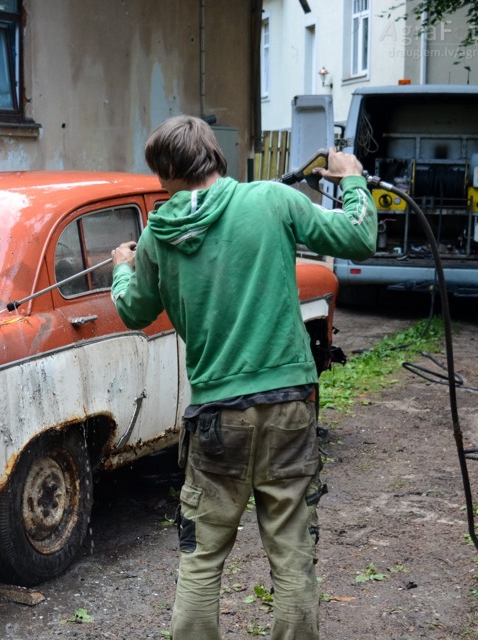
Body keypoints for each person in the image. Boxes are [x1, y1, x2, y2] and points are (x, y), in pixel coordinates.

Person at [110, 115, 376, 640]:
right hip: (288, 407)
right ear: (215, 157)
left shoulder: (155, 239)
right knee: (292, 559)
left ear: (166, 172)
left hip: (215, 418)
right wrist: (351, 179)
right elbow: (359, 235)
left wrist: (123, 265)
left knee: (202, 561)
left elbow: (133, 311)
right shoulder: (271, 202)